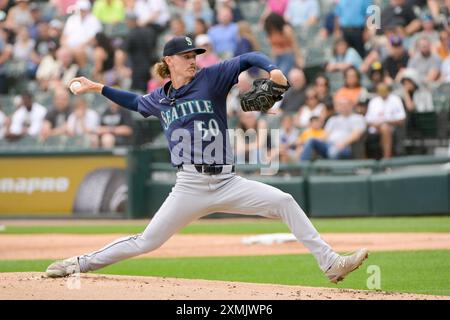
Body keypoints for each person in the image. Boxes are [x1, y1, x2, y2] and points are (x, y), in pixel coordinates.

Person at [46, 36, 368, 282]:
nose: (193, 60)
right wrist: (97, 87)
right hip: (189, 185)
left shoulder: (211, 78)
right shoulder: (160, 98)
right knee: (146, 242)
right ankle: (79, 263)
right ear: (168, 61)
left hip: (228, 181)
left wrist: (273, 69)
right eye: (186, 56)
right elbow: (134, 101)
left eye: (194, 55)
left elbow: (247, 58)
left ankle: (330, 263)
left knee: (284, 200)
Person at [300, 96, 366, 160]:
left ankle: (331, 170)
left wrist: (342, 143)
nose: (343, 107)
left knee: (333, 151)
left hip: (346, 147)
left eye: (345, 104)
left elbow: (356, 134)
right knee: (311, 140)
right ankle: (302, 167)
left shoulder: (358, 118)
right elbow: (325, 136)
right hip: (329, 145)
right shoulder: (333, 119)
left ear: (351, 106)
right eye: (341, 105)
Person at [365, 83, 406, 159]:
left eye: (384, 90)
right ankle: (365, 161)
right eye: (380, 90)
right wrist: (376, 125)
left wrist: (386, 122)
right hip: (374, 127)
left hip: (392, 127)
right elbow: (367, 120)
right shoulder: (373, 101)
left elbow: (401, 119)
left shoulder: (396, 99)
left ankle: (386, 158)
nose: (382, 92)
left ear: (388, 90)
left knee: (385, 128)